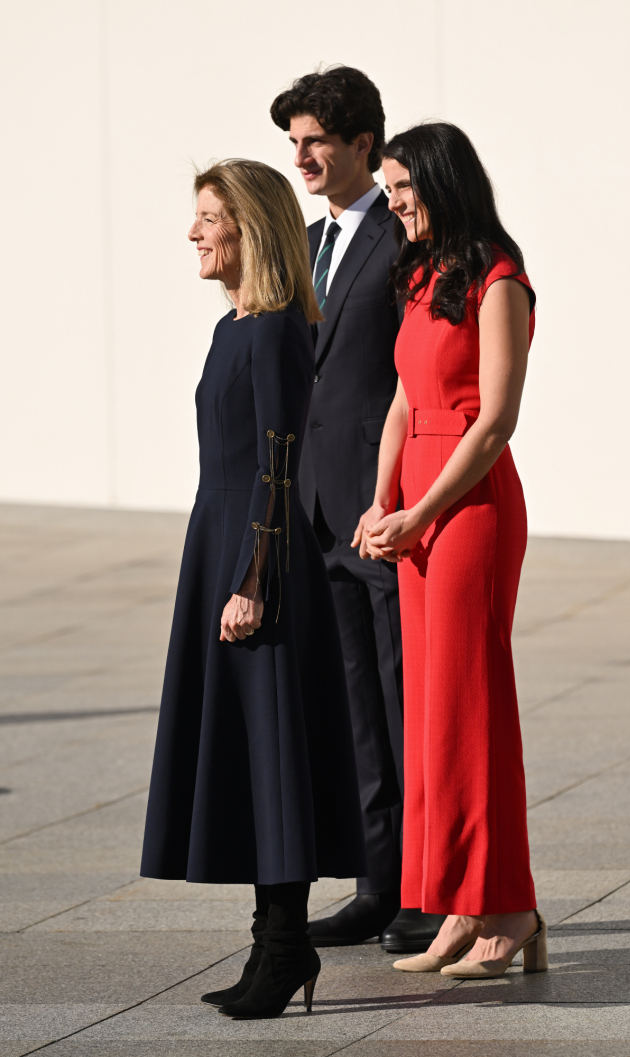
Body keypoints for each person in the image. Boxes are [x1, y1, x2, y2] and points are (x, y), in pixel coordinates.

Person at [140, 159, 367, 1019]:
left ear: (250, 227)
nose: (194, 233)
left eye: (208, 217)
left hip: (253, 560)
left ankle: (283, 950)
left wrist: (252, 579)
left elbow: (278, 465)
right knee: (251, 752)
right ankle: (273, 944)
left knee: (274, 753)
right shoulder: (232, 327)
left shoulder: (273, 329)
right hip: (223, 545)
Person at [355, 123, 548, 979]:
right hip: (421, 502)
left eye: (402, 186)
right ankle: (461, 904)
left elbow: (496, 422)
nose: (392, 201)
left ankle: (511, 905)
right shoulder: (421, 271)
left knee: (473, 707)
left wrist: (424, 508)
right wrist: (380, 499)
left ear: (441, 180)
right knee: (431, 713)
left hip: (471, 504)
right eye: (389, 188)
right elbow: (402, 400)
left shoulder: (500, 277)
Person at [271, 66, 443, 954]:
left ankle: (427, 885)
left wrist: (398, 499)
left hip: (385, 508)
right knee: (356, 709)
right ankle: (379, 881)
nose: (301, 155)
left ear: (363, 144)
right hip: (314, 512)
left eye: (316, 141)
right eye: (293, 141)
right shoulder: (304, 243)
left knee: (405, 696)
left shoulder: (405, 233)